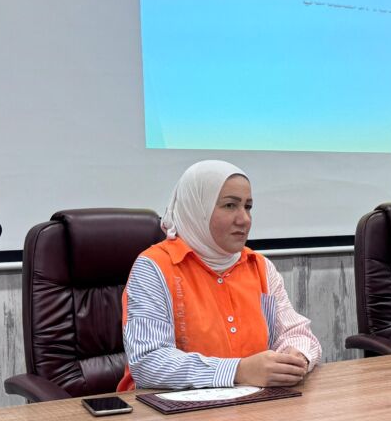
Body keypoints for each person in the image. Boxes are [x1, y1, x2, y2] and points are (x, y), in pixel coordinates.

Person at [117, 160, 321, 390]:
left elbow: (297, 333)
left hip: (250, 404)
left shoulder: (260, 266)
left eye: (248, 207)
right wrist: (238, 371)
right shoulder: (154, 267)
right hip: (164, 408)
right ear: (197, 209)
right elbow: (148, 362)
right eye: (230, 205)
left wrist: (296, 356)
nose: (244, 219)